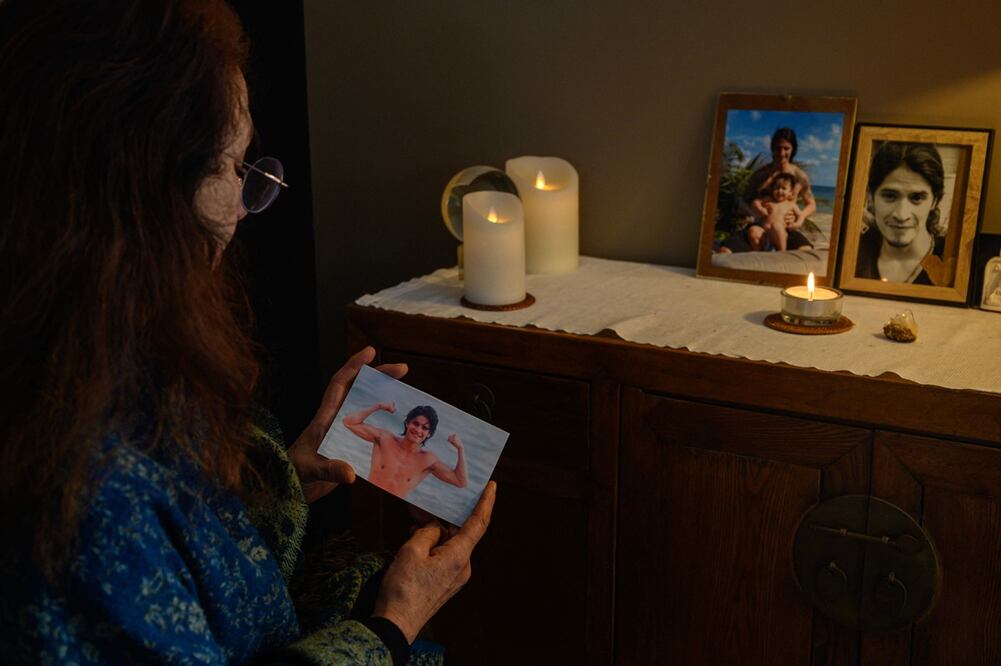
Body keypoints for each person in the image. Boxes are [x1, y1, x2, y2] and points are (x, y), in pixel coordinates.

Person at [0, 1, 494, 664]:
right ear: (147, 193)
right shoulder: (81, 490)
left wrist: (290, 477)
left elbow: (189, 568)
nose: (242, 209)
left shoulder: (106, 350)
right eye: (234, 168)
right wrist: (389, 627)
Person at [855, 141, 946, 284]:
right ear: (871, 198)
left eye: (916, 198)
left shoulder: (953, 262)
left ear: (935, 201)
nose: (901, 215)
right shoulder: (852, 256)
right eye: (890, 196)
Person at [720, 127, 815, 253]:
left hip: (786, 228)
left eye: (786, 148)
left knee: (806, 252)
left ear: (793, 150)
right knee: (725, 251)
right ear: (772, 149)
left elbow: (811, 204)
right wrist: (755, 211)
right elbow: (742, 202)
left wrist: (800, 218)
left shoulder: (799, 176)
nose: (781, 153)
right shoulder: (760, 175)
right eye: (778, 148)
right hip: (758, 226)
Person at [344, 403, 468, 498]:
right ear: (408, 423)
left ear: (429, 434)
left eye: (425, 428)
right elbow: (349, 422)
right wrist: (378, 406)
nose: (418, 430)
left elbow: (460, 481)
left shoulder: (428, 460)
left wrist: (460, 449)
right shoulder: (385, 439)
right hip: (365, 495)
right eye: (416, 423)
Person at [746, 172, 801, 252]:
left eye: (784, 188)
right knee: (753, 230)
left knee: (777, 226)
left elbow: (800, 215)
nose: (779, 191)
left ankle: (782, 252)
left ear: (790, 192)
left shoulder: (791, 205)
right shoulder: (769, 199)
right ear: (772, 190)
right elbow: (755, 202)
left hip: (779, 236)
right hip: (763, 234)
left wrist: (797, 224)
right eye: (777, 188)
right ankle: (758, 253)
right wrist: (761, 209)